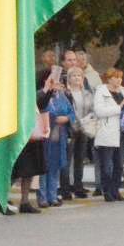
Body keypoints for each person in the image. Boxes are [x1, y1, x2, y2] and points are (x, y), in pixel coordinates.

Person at [87, 69, 124, 200]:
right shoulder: (101, 91)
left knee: (119, 164)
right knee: (107, 164)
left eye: (120, 77)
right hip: (107, 131)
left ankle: (116, 189)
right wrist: (118, 108)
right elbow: (99, 111)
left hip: (122, 131)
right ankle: (107, 190)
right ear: (108, 79)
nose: (118, 80)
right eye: (115, 77)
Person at [42, 73, 74, 208]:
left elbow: (72, 113)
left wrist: (66, 118)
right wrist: (54, 117)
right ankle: (42, 197)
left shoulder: (63, 97)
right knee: (44, 167)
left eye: (60, 83)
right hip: (45, 134)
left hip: (60, 135)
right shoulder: (42, 95)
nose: (58, 86)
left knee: (55, 166)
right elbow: (40, 110)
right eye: (54, 82)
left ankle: (53, 195)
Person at [62, 66, 93, 198]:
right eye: (73, 76)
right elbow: (65, 110)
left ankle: (78, 186)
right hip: (70, 128)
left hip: (84, 128)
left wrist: (84, 121)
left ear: (83, 78)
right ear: (69, 79)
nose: (76, 78)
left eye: (79, 76)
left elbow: (92, 109)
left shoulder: (87, 93)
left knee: (80, 159)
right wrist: (74, 121)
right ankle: (65, 188)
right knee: (67, 160)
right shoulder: (65, 93)